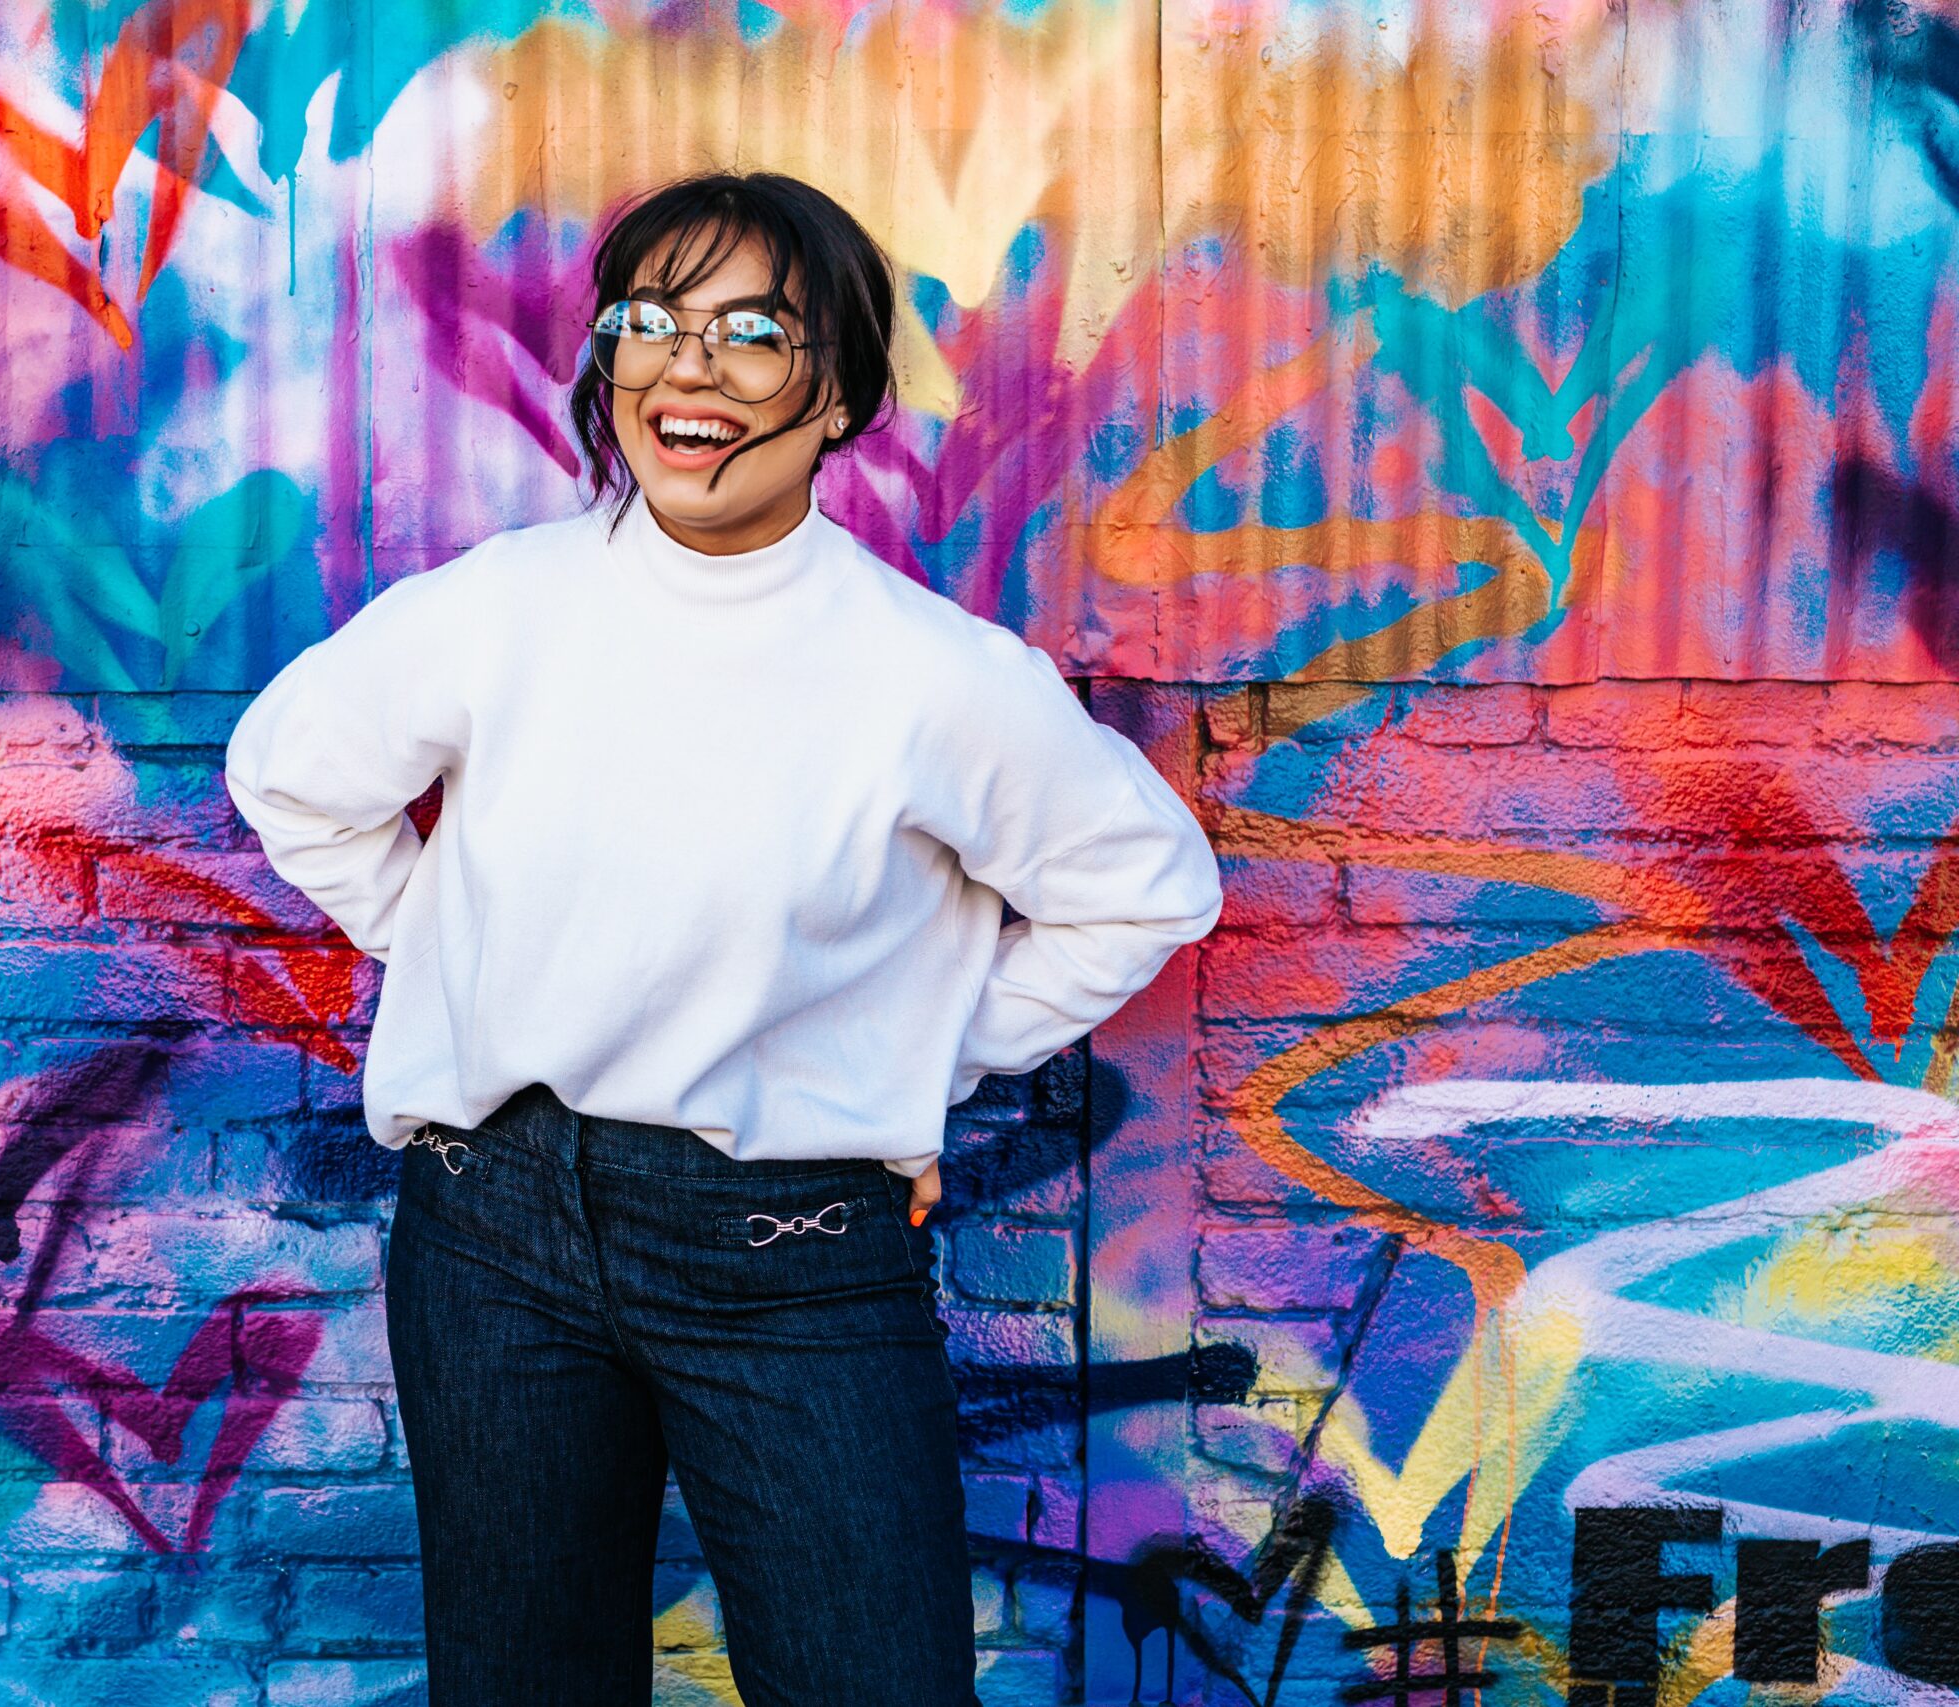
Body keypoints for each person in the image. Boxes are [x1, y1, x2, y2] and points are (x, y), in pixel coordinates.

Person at [224, 170, 1221, 1707]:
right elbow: (295, 776)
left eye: (755, 333)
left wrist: (926, 1054)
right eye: (651, 324)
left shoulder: (931, 676)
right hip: (493, 1238)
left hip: (794, 1258)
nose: (689, 368)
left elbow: (1147, 886)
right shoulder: (503, 610)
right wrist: (447, 951)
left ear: (838, 397)